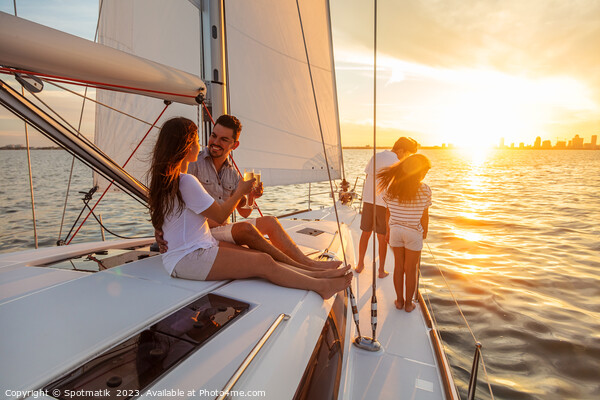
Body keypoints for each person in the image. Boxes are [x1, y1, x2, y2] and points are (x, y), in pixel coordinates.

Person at [148, 117, 351, 299]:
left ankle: (315, 272)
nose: (205, 143)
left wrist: (249, 196)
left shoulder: (174, 179)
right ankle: (320, 285)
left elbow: (240, 211)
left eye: (223, 139)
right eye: (198, 140)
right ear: (186, 147)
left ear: (233, 145)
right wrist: (239, 192)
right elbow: (218, 216)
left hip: (199, 244)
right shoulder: (187, 178)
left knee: (262, 255)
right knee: (263, 262)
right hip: (189, 255)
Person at [355, 137, 418, 277]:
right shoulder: (397, 163)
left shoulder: (376, 156)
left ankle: (360, 264)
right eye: (407, 154)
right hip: (383, 204)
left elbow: (367, 177)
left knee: (365, 234)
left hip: (368, 200)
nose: (406, 157)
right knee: (382, 237)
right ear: (401, 150)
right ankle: (381, 270)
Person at [377, 154, 431, 312]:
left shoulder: (392, 188)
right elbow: (424, 216)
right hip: (413, 232)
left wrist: (388, 231)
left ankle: (399, 301)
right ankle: (408, 304)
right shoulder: (425, 189)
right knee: (411, 270)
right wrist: (425, 232)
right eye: (424, 171)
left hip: (395, 231)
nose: (425, 174)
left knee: (398, 267)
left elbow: (388, 213)